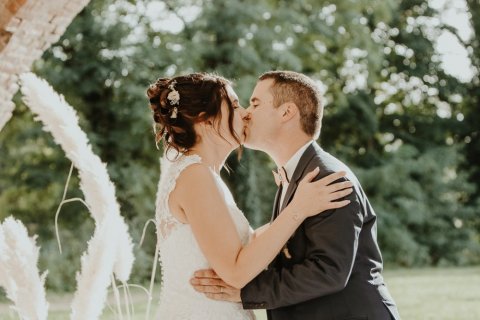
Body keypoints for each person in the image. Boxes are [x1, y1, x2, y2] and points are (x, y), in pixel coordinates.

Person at [191, 71, 401, 320]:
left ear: (286, 112)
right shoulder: (296, 176)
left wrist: (245, 291)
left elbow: (328, 271)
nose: (246, 112)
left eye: (256, 103)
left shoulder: (327, 179)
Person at [146, 73, 353, 319]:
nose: (245, 113)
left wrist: (296, 200)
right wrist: (298, 208)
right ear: (204, 120)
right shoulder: (195, 176)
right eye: (234, 105)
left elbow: (246, 244)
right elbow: (235, 272)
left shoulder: (204, 175)